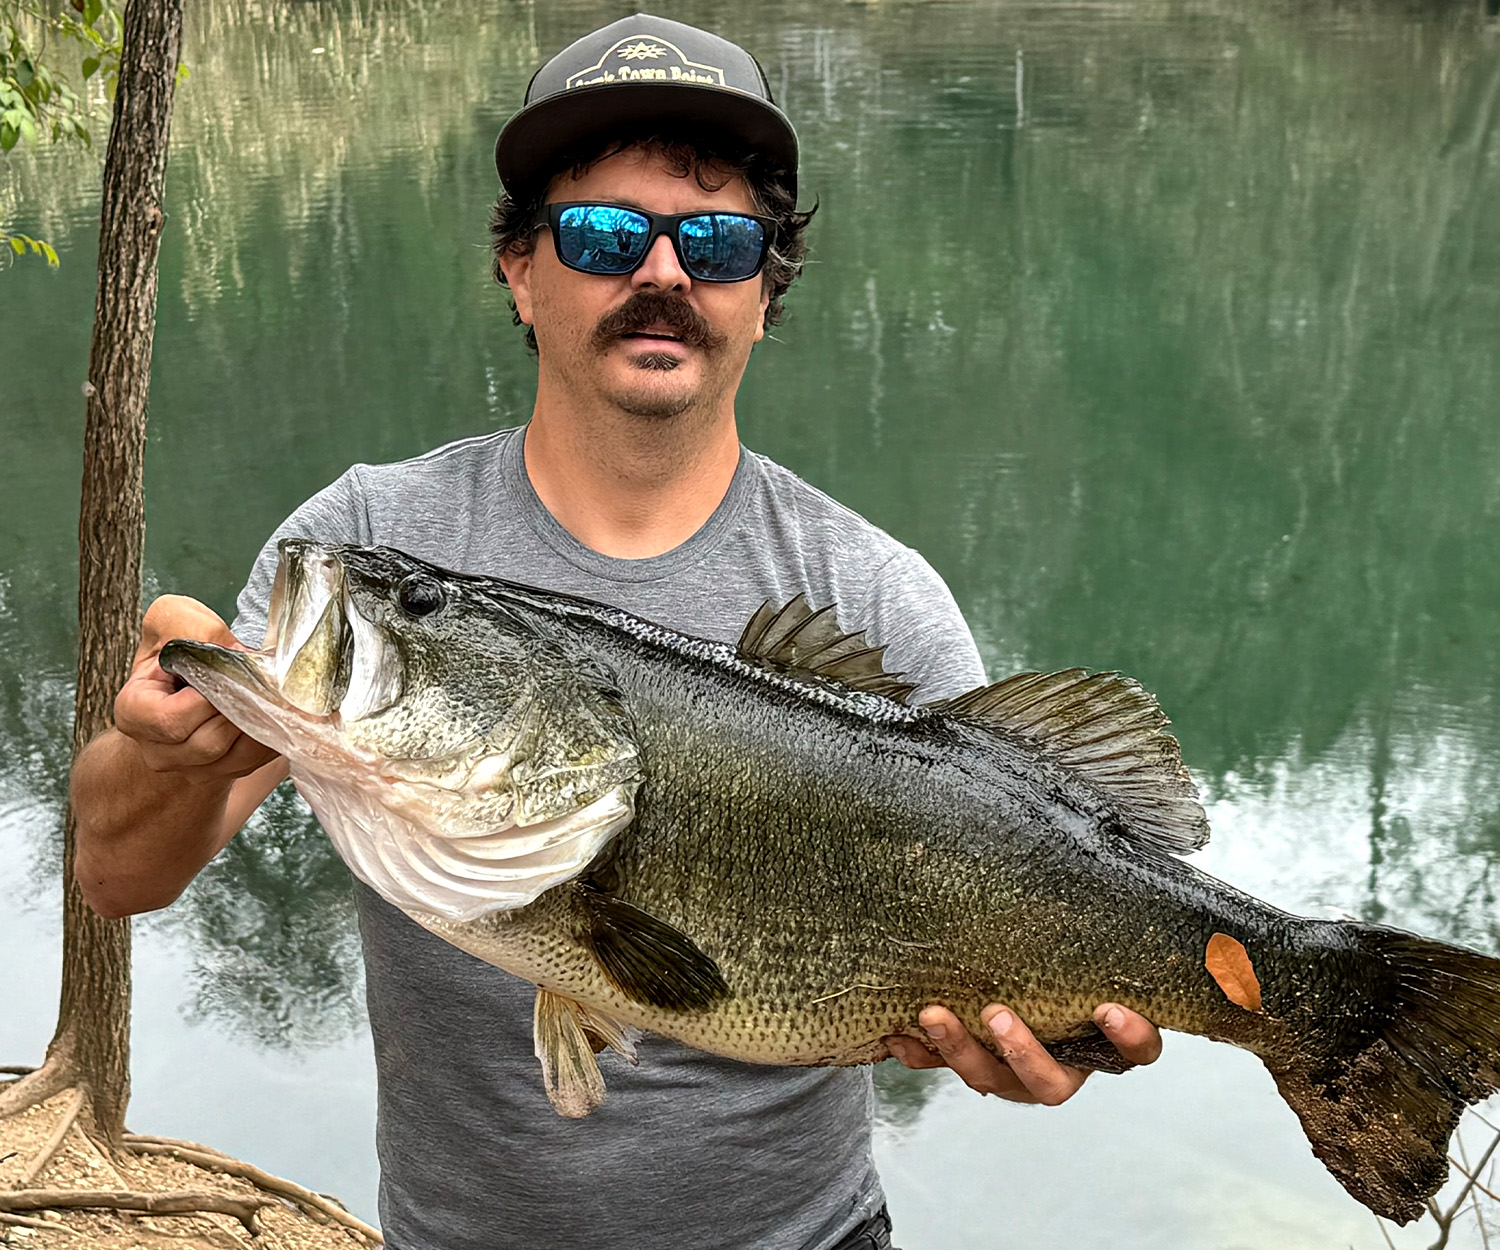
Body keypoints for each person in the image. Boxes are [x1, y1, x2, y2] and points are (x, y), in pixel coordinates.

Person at [70, 14, 1161, 1250]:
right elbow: (119, 876)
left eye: (717, 240)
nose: (663, 274)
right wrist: (163, 757)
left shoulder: (875, 595)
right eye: (600, 234)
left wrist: (1045, 1033)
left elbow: (1017, 921)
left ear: (763, 292)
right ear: (522, 273)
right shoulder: (373, 540)